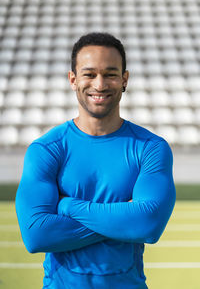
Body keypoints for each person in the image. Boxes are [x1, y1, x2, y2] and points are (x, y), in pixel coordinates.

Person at [16, 32, 176, 289]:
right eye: (89, 74)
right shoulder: (46, 149)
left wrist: (67, 206)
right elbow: (36, 234)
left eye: (111, 74)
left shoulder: (151, 148)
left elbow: (148, 224)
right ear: (73, 79)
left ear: (125, 79)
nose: (100, 85)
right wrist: (123, 218)